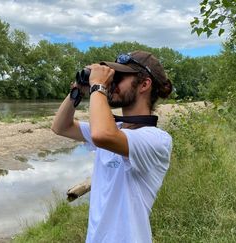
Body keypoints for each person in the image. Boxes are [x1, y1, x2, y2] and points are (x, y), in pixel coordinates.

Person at [51, 50, 173, 243]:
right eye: (112, 76)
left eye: (119, 77)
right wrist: (77, 91)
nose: (112, 83)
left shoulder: (156, 139)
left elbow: (101, 135)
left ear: (144, 84)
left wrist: (98, 86)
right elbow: (60, 126)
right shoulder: (114, 128)